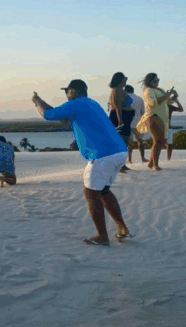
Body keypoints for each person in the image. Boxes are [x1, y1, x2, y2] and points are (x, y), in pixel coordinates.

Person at [32, 79, 131, 246]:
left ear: (74, 91)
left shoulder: (77, 103)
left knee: (91, 193)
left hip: (103, 154)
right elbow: (61, 116)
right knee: (103, 191)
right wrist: (44, 104)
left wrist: (37, 101)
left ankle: (102, 236)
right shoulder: (89, 103)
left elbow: (48, 114)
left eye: (67, 92)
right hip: (118, 151)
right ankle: (122, 228)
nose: (66, 95)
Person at [135, 73, 176, 171]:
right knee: (158, 141)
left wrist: (174, 97)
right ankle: (155, 164)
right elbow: (154, 103)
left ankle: (151, 162)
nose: (157, 82)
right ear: (149, 81)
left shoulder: (159, 90)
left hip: (162, 118)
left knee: (161, 141)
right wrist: (166, 95)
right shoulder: (148, 91)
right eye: (155, 81)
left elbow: (167, 102)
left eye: (158, 80)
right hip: (153, 116)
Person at [107, 72, 135, 172]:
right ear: (120, 80)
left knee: (125, 143)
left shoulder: (120, 90)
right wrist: (120, 122)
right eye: (124, 79)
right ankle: (118, 165)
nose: (126, 81)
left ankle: (122, 165)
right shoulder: (116, 91)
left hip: (126, 117)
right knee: (121, 142)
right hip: (120, 117)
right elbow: (117, 107)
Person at [125, 85, 147, 164]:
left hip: (129, 122)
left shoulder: (126, 98)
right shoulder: (140, 99)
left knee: (130, 141)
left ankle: (130, 159)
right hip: (138, 121)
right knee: (140, 140)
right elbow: (143, 112)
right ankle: (143, 158)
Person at [166, 95, 184, 160]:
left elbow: (181, 109)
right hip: (161, 127)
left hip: (168, 127)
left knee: (170, 144)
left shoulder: (170, 107)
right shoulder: (160, 106)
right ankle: (154, 160)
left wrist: (177, 101)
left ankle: (168, 159)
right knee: (158, 143)